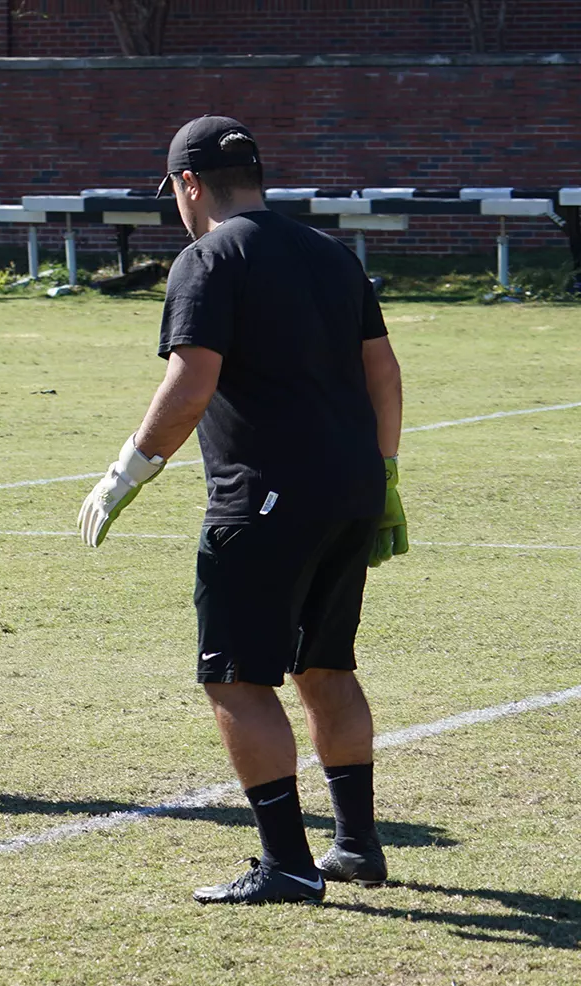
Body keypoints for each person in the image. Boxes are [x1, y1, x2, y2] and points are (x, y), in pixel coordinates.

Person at [77, 116, 408, 905]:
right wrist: (384, 473)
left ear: (189, 184)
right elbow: (384, 374)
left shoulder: (207, 256)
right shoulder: (332, 253)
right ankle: (356, 845)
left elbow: (190, 386)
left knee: (235, 678)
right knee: (325, 665)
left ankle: (288, 865)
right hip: (353, 488)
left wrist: (125, 474)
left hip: (262, 496)